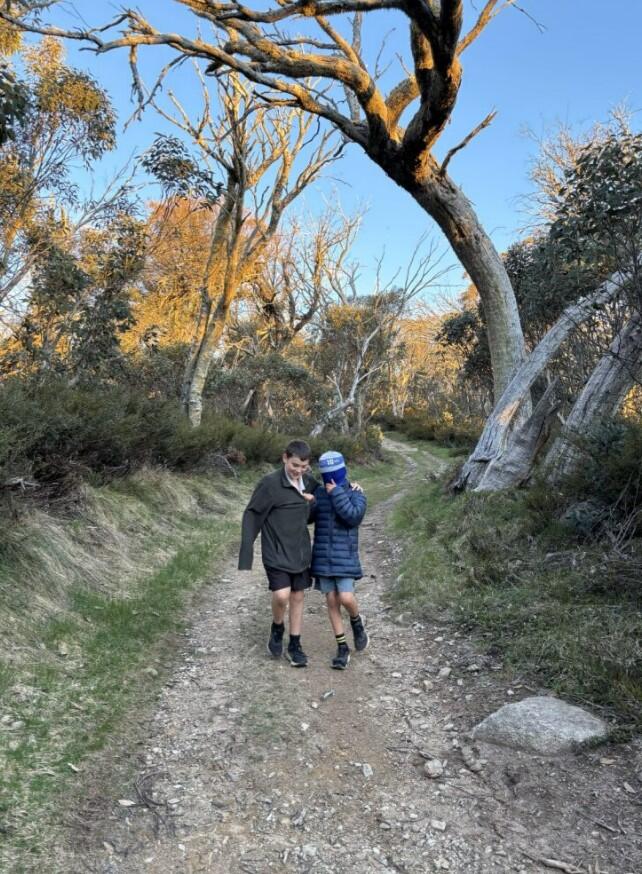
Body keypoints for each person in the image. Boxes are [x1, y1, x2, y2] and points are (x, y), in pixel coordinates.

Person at [238, 439, 317, 667]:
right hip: (276, 551)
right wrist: (246, 554)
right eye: (294, 465)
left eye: (303, 467)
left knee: (298, 596)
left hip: (300, 551)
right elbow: (252, 515)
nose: (298, 471)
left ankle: (294, 644)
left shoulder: (309, 483)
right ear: (284, 458)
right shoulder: (269, 484)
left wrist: (351, 488)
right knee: (282, 595)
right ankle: (277, 626)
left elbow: (325, 498)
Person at [310, 450, 369, 670]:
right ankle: (342, 647)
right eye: (327, 475)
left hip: (345, 558)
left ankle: (356, 621)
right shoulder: (319, 492)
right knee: (332, 601)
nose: (330, 480)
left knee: (345, 597)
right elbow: (308, 518)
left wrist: (336, 493)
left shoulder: (356, 493)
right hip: (323, 558)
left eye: (334, 474)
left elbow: (353, 517)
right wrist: (309, 503)